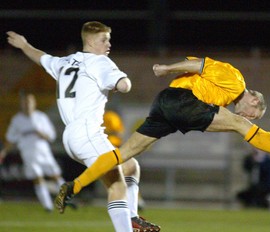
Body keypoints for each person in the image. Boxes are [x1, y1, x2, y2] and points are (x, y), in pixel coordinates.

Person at [54, 56, 270, 211]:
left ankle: (73, 186)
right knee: (246, 130)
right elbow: (200, 65)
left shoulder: (223, 95)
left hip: (165, 103)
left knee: (123, 154)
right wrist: (166, 69)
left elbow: (196, 63)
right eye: (253, 113)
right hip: (182, 101)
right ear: (254, 101)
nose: (246, 116)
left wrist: (173, 73)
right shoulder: (236, 81)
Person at [6, 21, 160, 232]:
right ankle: (126, 227)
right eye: (103, 39)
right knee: (117, 185)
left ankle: (131, 218)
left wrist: (24, 45)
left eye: (109, 39)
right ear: (89, 40)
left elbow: (41, 58)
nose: (108, 44)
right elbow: (125, 85)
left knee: (130, 166)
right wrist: (118, 83)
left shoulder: (66, 62)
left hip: (74, 136)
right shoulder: (101, 62)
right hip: (88, 134)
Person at [0, 93, 65, 212]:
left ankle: (66, 200)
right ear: (22, 104)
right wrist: (3, 151)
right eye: (25, 102)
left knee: (55, 175)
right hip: (28, 154)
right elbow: (10, 139)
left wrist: (41, 134)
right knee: (37, 178)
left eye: (29, 102)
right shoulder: (17, 120)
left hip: (43, 152)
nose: (27, 105)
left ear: (34, 103)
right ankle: (48, 206)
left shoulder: (41, 117)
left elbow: (51, 136)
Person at [103, 108, 146, 211]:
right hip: (105, 149)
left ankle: (136, 200)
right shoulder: (94, 117)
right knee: (111, 176)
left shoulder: (110, 116)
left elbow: (118, 133)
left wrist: (104, 132)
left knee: (123, 175)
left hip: (113, 147)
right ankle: (121, 200)